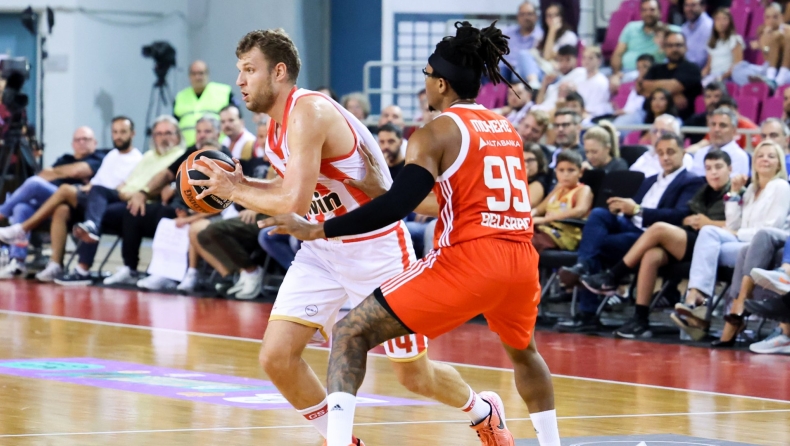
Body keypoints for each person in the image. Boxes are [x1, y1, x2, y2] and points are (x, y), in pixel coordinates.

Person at [190, 28, 519, 446]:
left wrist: (234, 191)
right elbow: (291, 187)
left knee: (413, 375)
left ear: (279, 72)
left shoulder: (309, 111)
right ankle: (343, 440)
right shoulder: (275, 128)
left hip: (375, 248)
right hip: (322, 250)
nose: (240, 80)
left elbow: (293, 200)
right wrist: (243, 184)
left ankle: (483, 410)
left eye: (249, 70)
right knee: (277, 357)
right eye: (239, 70)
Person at [261, 20, 561, 446]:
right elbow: (445, 200)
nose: (424, 84)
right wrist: (377, 189)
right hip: (521, 258)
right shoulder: (505, 129)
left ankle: (350, 439)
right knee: (525, 354)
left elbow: (396, 208)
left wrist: (319, 227)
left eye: (426, 75)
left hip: (465, 260)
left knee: (353, 335)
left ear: (440, 83)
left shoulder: (434, 133)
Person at [557, 133, 704, 332]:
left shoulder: (691, 181)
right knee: (599, 214)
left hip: (651, 236)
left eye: (670, 152)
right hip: (630, 225)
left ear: (683, 153)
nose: (665, 157)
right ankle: (584, 267)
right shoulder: (649, 180)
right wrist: (621, 208)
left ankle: (589, 310)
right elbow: (633, 210)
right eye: (661, 153)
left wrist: (636, 209)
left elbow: (679, 215)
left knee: (596, 245)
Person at [582, 150, 731, 338]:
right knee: (651, 255)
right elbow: (684, 214)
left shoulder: (736, 192)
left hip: (714, 244)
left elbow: (739, 225)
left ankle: (613, 275)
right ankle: (640, 318)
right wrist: (688, 220)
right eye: (708, 168)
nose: (713, 172)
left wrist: (708, 223)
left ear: (730, 169)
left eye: (718, 167)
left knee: (659, 228)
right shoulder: (704, 190)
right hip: (691, 238)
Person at [672, 140, 790, 340]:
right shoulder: (751, 189)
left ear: (779, 163)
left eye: (771, 156)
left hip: (762, 246)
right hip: (742, 240)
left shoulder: (781, 186)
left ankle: (700, 304)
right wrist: (734, 193)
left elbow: (771, 229)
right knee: (708, 231)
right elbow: (733, 223)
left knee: (708, 250)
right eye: (760, 155)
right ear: (754, 161)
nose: (765, 159)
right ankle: (696, 295)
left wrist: (737, 234)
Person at [0, 118, 143, 282]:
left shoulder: (121, 157)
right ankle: (51, 264)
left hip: (106, 201)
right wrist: (82, 184)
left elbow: (117, 185)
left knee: (59, 188)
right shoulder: (110, 156)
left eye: (123, 132)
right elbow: (93, 180)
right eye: (115, 132)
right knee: (49, 209)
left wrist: (58, 173)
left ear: (132, 134)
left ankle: (17, 226)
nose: (118, 136)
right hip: (86, 196)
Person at [0, 126, 105, 277]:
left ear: (95, 142)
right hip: (50, 203)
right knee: (21, 208)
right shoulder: (65, 158)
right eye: (78, 140)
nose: (82, 142)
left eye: (86, 139)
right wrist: (67, 171)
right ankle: (17, 262)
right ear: (72, 144)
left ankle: (2, 213)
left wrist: (57, 172)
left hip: (76, 202)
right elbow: (44, 174)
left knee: (34, 183)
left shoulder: (99, 157)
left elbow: (77, 171)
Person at [531, 150, 594, 253]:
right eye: (561, 170)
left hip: (565, 235)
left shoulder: (583, 189)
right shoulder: (558, 188)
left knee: (525, 242)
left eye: (571, 170)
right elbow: (539, 209)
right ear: (556, 172)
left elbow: (579, 211)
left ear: (580, 172)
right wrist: (527, 217)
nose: (565, 174)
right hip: (544, 229)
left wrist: (545, 219)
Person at [638, 31, 703, 121]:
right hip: (648, 116)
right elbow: (641, 87)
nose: (674, 49)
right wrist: (673, 95)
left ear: (686, 47)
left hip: (679, 119)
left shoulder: (692, 69)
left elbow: (672, 86)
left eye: (678, 45)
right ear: (664, 48)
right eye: (670, 46)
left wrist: (652, 87)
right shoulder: (656, 68)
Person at [611, 0, 682, 82]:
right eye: (644, 10)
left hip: (652, 75)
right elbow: (618, 54)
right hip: (625, 72)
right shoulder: (631, 27)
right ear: (641, 13)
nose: (648, 13)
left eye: (652, 10)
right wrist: (617, 74)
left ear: (660, 12)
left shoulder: (673, 31)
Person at [173, 60, 234, 147]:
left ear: (207, 74)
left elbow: (235, 118)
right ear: (189, 76)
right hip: (188, 148)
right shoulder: (180, 97)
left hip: (217, 146)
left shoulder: (223, 92)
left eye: (201, 73)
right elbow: (174, 125)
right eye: (194, 74)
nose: (197, 77)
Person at [731, 3, 790, 87]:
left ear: (781, 17)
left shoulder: (787, 31)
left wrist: (761, 45)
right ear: (764, 19)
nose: (771, 20)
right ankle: (767, 83)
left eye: (775, 17)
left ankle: (771, 83)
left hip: (786, 70)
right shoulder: (762, 32)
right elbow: (767, 56)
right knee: (737, 70)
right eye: (768, 17)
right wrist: (764, 43)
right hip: (767, 69)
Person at [689, 107, 750, 178]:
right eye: (713, 124)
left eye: (722, 125)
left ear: (734, 131)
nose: (716, 129)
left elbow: (732, 183)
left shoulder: (739, 156)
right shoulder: (701, 153)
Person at [629, 114, 694, 177]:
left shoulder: (683, 158)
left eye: (663, 132)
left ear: (675, 135)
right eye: (655, 131)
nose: (657, 135)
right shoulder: (647, 155)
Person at [701, 8, 743, 85]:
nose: (721, 23)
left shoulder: (735, 40)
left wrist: (723, 76)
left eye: (725, 19)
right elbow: (708, 67)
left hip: (727, 77)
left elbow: (737, 64)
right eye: (718, 19)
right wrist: (698, 77)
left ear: (730, 22)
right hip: (713, 76)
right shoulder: (711, 42)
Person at [681, 0, 714, 69]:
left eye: (693, 5)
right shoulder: (684, 28)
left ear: (703, 7)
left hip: (702, 71)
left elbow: (702, 60)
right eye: (686, 5)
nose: (689, 9)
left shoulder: (710, 27)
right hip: (684, 69)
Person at [524, 142, 550, 207]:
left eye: (530, 160)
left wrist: (522, 179)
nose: (525, 164)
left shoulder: (541, 180)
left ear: (539, 161)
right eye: (521, 160)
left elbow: (525, 204)